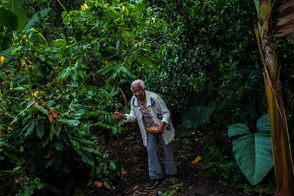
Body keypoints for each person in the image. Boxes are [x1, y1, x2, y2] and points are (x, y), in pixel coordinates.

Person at [114, 79, 177, 190]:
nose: (138, 94)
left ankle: (171, 174)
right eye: (135, 92)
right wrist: (123, 116)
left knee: (167, 150)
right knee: (151, 151)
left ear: (143, 89)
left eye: (139, 91)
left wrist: (162, 125)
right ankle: (155, 176)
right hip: (149, 129)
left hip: (162, 127)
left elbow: (166, 113)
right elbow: (134, 116)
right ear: (133, 92)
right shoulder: (134, 100)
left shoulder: (154, 97)